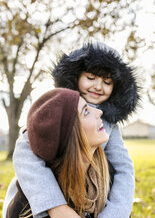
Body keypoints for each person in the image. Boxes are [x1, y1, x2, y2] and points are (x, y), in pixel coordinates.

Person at [3, 42, 140, 218]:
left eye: (107, 82)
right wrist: (54, 205)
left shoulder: (108, 125)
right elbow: (25, 150)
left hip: (85, 193)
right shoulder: (55, 107)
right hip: (46, 195)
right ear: (76, 76)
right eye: (91, 78)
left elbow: (124, 167)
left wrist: (115, 213)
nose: (98, 86)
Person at [6, 88, 110, 218]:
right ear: (70, 137)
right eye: (86, 112)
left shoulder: (106, 178)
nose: (99, 112)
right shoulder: (25, 208)